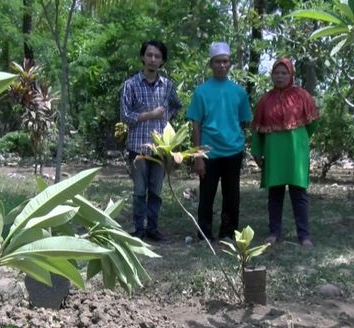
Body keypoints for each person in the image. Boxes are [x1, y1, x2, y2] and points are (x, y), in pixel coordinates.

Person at [186, 41, 252, 242]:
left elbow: (243, 122)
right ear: (211, 64)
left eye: (225, 61)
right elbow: (196, 125)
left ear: (230, 63)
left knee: (232, 195)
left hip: (233, 151)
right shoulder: (201, 92)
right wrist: (198, 157)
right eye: (217, 62)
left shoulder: (239, 92)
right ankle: (204, 233)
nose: (222, 65)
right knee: (207, 195)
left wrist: (232, 137)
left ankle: (228, 232)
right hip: (209, 152)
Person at [251, 58, 319, 248]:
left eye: (284, 73)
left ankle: (304, 235)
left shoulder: (302, 96)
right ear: (271, 75)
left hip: (296, 152)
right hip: (273, 153)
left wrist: (301, 139)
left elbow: (312, 123)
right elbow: (256, 129)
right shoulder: (265, 100)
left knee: (299, 194)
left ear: (291, 75)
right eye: (276, 73)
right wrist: (257, 152)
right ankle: (274, 232)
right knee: (275, 194)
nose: (280, 76)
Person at [120, 40, 182, 241]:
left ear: (162, 61)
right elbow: (125, 116)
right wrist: (151, 115)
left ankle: (153, 229)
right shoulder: (130, 85)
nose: (153, 60)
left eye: (157, 56)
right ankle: (139, 229)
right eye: (149, 55)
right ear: (142, 57)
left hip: (160, 149)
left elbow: (176, 105)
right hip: (137, 147)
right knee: (139, 191)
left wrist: (165, 118)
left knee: (156, 191)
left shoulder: (167, 85)